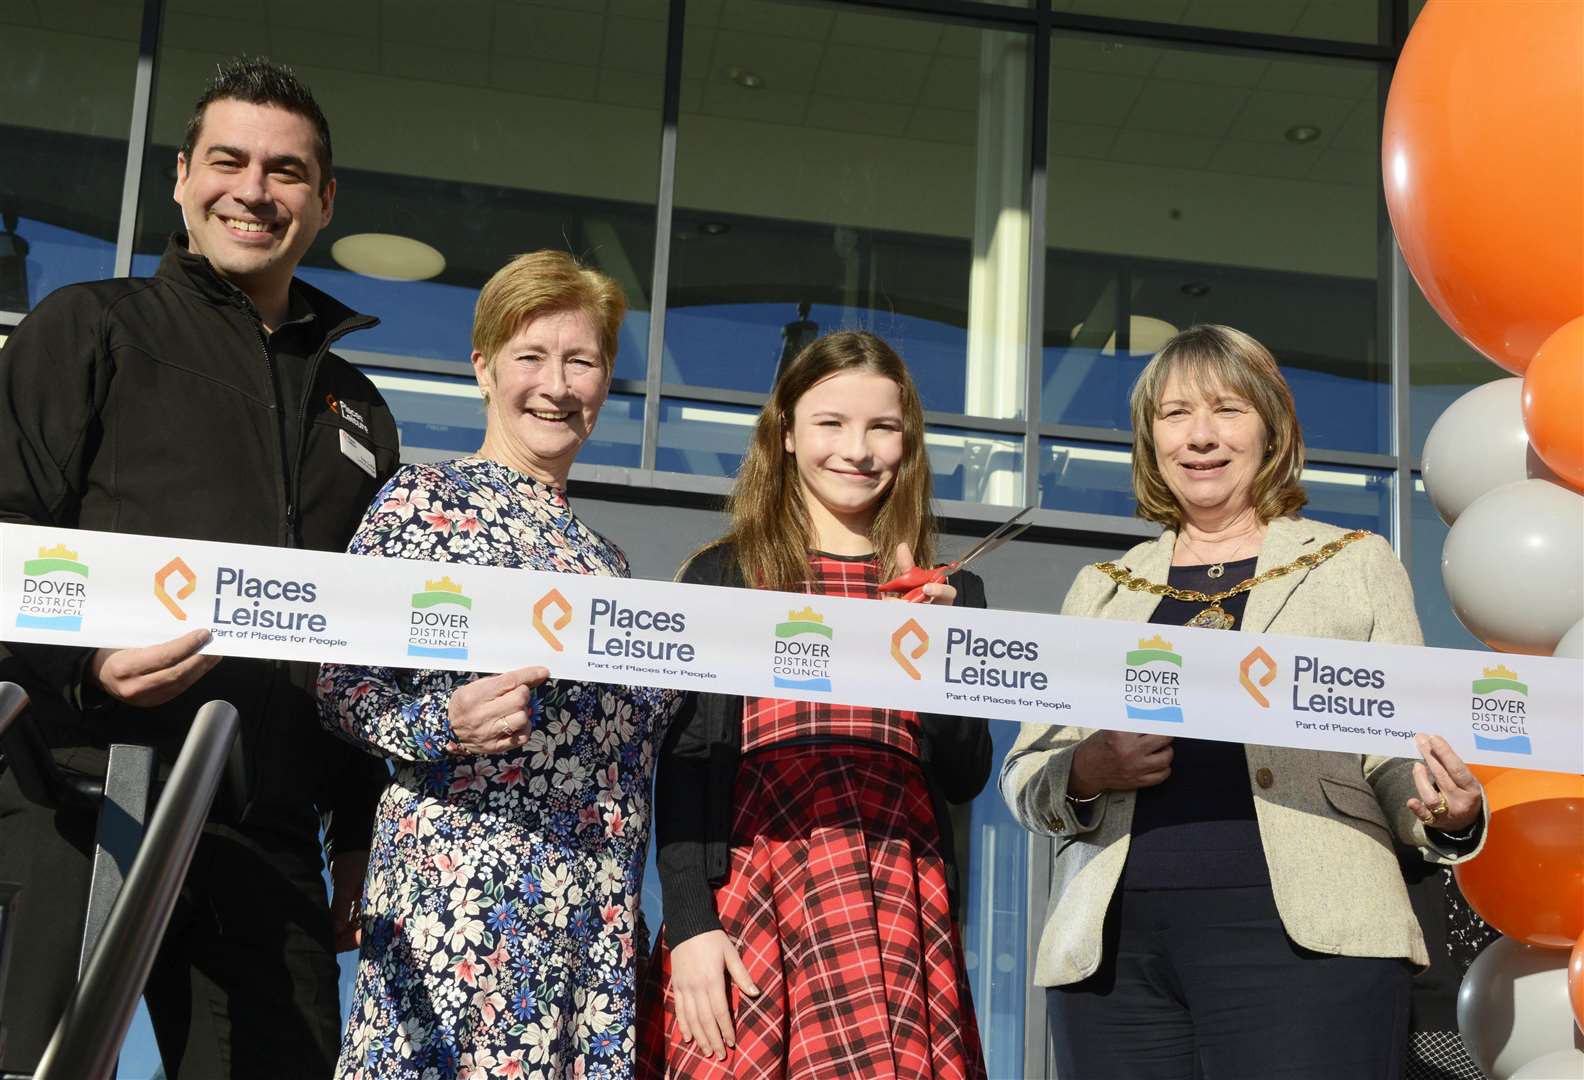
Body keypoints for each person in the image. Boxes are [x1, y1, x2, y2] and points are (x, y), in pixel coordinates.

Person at [0, 58, 399, 1077]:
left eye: (286, 170)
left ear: (323, 199)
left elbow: (369, 631)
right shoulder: (89, 328)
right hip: (77, 788)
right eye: (228, 160)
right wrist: (85, 664)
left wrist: (356, 828)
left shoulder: (357, 411)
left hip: (265, 825)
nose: (254, 190)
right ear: (182, 176)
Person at [999, 324, 1488, 1080]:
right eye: (1174, 414)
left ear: (1271, 429)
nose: (1200, 436)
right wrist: (1089, 768)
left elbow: (1396, 747)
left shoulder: (1353, 564)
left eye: (1226, 410)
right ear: (1150, 438)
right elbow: (1028, 773)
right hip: (1115, 957)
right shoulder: (1103, 587)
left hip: (1311, 941)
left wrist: (1443, 815)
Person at [316, 250, 682, 1079]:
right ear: (483, 368)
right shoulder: (425, 502)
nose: (557, 384)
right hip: (470, 899)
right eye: (531, 356)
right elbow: (338, 681)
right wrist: (437, 724)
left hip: (592, 916)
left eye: (581, 361)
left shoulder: (608, 561)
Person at [637, 330, 992, 1080]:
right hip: (750, 883)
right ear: (788, 435)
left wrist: (935, 656)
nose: (857, 449)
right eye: (831, 422)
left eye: (881, 427)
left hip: (894, 889)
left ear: (908, 442)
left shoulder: (950, 592)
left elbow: (963, 776)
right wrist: (693, 926)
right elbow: (683, 765)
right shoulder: (724, 573)